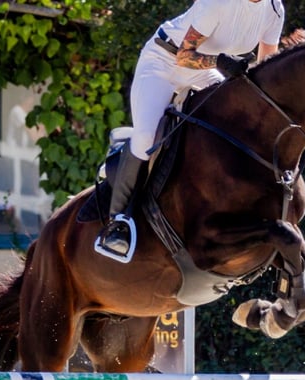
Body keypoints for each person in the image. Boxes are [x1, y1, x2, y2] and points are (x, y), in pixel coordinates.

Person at [95, 0, 285, 262]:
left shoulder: (275, 10)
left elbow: (266, 67)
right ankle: (118, 221)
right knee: (146, 138)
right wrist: (222, 62)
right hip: (164, 62)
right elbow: (184, 55)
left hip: (205, 72)